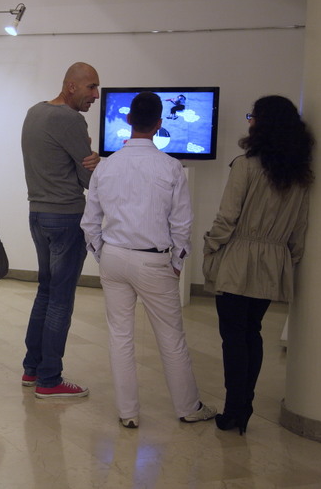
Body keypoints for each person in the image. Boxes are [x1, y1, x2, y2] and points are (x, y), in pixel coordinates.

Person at [81, 92, 217, 428]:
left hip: (113, 257)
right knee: (171, 337)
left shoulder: (105, 167)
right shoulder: (171, 167)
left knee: (120, 336)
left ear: (128, 120)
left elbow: (90, 222)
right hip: (154, 262)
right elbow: (182, 223)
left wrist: (101, 254)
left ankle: (128, 413)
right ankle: (188, 407)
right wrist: (177, 262)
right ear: (159, 123)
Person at [203, 95, 314, 434]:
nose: (249, 120)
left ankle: (234, 409)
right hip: (273, 260)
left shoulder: (246, 165)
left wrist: (210, 245)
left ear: (262, 123)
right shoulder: (299, 173)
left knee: (233, 337)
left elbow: (227, 217)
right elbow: (299, 229)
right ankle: (244, 406)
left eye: (252, 115)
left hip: (238, 258)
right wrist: (287, 259)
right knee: (253, 332)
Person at [20, 61, 101, 398]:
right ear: (71, 86)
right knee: (60, 300)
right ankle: (50, 379)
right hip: (66, 217)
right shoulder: (70, 119)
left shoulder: (34, 112)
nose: (96, 95)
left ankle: (32, 368)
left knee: (45, 291)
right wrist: (94, 159)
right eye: (91, 87)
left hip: (38, 214)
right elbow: (89, 179)